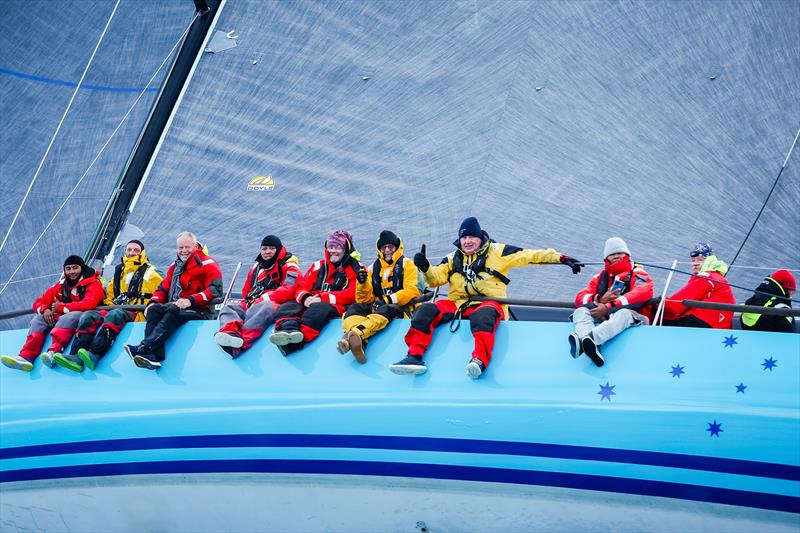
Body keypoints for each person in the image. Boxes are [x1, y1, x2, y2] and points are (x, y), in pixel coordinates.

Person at [391, 217, 583, 378]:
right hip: (458, 304)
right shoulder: (452, 258)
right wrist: (425, 268)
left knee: (483, 316)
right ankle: (414, 356)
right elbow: (436, 279)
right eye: (464, 237)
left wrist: (562, 258)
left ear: (480, 237)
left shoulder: (499, 251)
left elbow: (530, 256)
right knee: (426, 309)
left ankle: (479, 360)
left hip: (488, 304)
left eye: (471, 237)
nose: (467, 241)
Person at [52, 240, 163, 372]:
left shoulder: (151, 272)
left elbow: (161, 291)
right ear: (125, 252)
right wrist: (111, 304)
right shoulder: (119, 271)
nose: (132, 253)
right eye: (129, 250)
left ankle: (94, 354)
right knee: (89, 315)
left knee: (115, 314)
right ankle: (75, 356)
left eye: (136, 250)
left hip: (136, 311)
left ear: (142, 253)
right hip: (115, 308)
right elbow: (109, 294)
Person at [124, 232, 223, 370]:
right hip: (175, 306)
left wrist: (190, 300)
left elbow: (215, 290)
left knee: (172, 310)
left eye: (187, 247)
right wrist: (153, 302)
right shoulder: (174, 266)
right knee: (154, 310)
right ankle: (153, 357)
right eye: (180, 248)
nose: (183, 251)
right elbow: (163, 289)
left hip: (199, 310)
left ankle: (144, 348)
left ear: (195, 246)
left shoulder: (208, 264)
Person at [1, 256, 104, 372]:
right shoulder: (60, 285)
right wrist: (45, 310)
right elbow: (38, 302)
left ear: (82, 268)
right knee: (38, 320)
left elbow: (89, 304)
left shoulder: (93, 283)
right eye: (68, 269)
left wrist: (62, 307)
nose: (71, 272)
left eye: (75, 268)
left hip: (88, 316)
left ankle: (54, 353)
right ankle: (26, 357)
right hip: (64, 316)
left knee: (69, 317)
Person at [268, 230, 359, 355]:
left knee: (318, 311)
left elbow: (353, 294)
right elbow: (301, 286)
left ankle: (296, 343)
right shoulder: (318, 266)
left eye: (338, 247)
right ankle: (287, 330)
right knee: (288, 306)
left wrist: (323, 298)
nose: (333, 250)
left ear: (346, 249)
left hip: (335, 305)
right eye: (330, 247)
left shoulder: (356, 269)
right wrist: (305, 298)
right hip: (312, 300)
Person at [569, 237, 654, 367]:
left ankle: (590, 339)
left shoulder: (638, 272)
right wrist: (599, 299)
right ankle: (586, 343)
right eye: (612, 254)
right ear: (606, 258)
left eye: (619, 253)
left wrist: (608, 307)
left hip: (635, 318)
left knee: (623, 313)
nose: (616, 256)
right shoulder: (599, 277)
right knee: (580, 311)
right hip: (606, 317)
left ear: (627, 255)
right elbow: (579, 297)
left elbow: (643, 292)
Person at [339, 230, 420, 363]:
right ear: (379, 249)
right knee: (355, 307)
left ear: (397, 247)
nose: (387, 250)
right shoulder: (371, 269)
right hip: (377, 308)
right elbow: (364, 300)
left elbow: (411, 291)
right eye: (384, 247)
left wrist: (387, 300)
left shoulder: (407, 264)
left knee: (387, 308)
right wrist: (362, 283)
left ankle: (353, 336)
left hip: (402, 310)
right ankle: (358, 341)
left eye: (391, 247)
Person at [214, 235, 301, 357]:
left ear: (278, 249)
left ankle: (242, 343)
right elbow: (246, 291)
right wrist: (251, 301)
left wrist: (264, 297)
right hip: (253, 303)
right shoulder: (256, 267)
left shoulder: (290, 265)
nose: (267, 252)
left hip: (276, 304)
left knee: (263, 307)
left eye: (271, 248)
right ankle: (230, 334)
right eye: (264, 249)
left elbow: (289, 290)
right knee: (229, 307)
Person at [662, 242, 734, 329]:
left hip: (702, 324)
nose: (695, 263)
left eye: (700, 260)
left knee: (656, 322)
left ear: (709, 261)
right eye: (693, 260)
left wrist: (656, 305)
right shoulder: (717, 278)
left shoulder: (707, 277)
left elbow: (676, 305)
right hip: (716, 327)